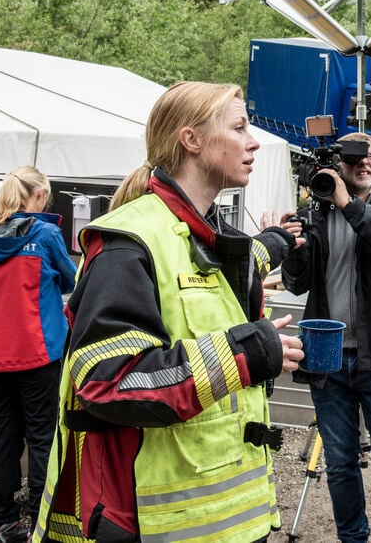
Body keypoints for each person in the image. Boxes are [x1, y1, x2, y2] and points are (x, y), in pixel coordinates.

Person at [32, 82, 304, 543]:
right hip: (153, 526)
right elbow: (108, 380)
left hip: (230, 521)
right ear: (191, 140)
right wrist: (249, 353)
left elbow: (218, 284)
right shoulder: (127, 245)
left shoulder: (207, 234)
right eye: (238, 127)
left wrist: (276, 243)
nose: (253, 141)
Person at [280, 132, 371, 543]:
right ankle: (352, 538)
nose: (364, 164)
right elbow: (296, 283)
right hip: (328, 357)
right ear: (338, 165)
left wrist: (347, 203)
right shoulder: (315, 215)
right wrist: (295, 248)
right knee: (340, 462)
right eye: (354, 158)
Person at [0, 165, 78, 543]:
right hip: (39, 355)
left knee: (6, 435)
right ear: (39, 195)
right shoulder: (46, 234)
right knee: (43, 435)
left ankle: (5, 523)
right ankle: (42, 521)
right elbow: (73, 279)